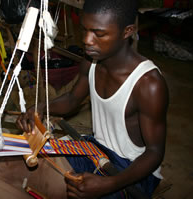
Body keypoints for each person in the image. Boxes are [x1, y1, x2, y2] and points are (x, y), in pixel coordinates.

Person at [17, 0, 169, 198]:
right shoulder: (91, 62)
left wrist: (109, 184)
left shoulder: (148, 84)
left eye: (99, 33)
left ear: (127, 31)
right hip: (96, 149)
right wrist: (40, 107)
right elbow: (72, 99)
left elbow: (155, 152)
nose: (87, 40)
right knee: (27, 161)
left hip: (134, 169)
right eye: (85, 30)